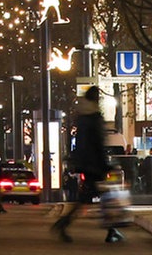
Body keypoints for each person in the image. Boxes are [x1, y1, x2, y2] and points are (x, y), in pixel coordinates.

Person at [53, 86, 121, 244]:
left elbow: (82, 143)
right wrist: (105, 164)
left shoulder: (82, 117)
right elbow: (98, 143)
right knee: (103, 197)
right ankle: (110, 230)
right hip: (94, 164)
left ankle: (65, 224)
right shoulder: (95, 117)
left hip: (85, 163)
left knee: (89, 198)